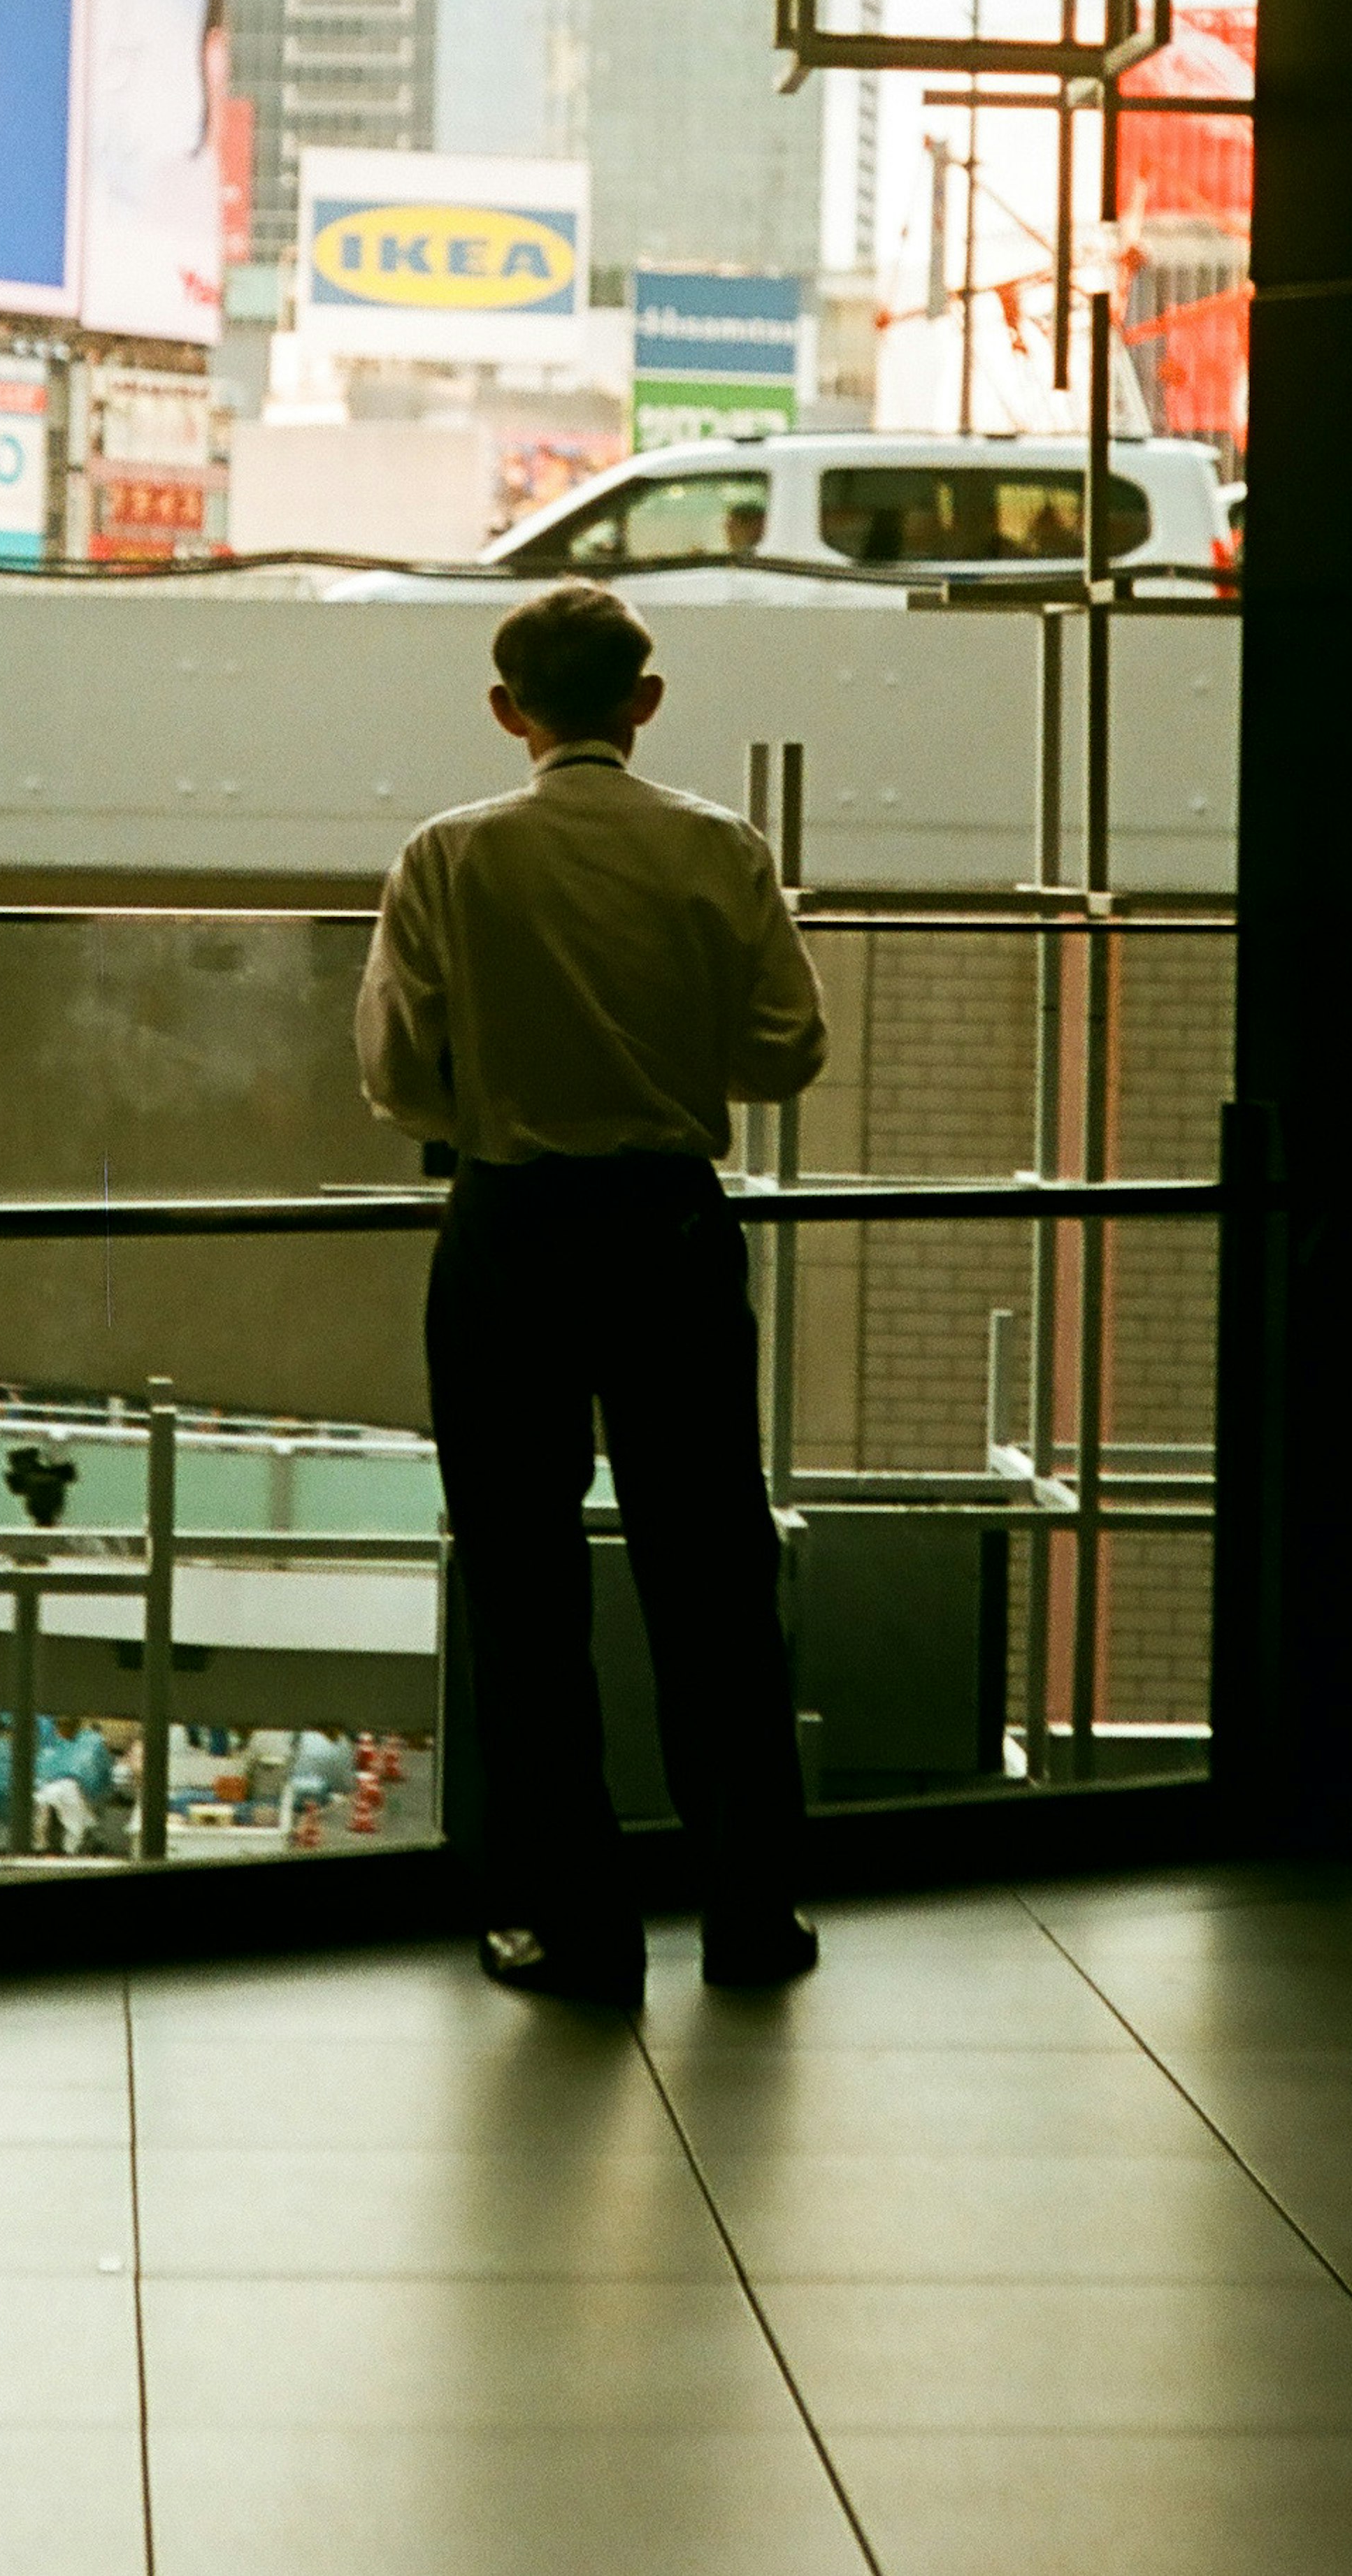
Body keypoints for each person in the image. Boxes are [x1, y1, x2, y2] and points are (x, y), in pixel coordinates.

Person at [355, 577, 828, 2011]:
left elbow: (393, 1074)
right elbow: (783, 1053)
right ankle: (751, 1911)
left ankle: (577, 1926)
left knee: (522, 1577)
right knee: (711, 1572)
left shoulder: (451, 855)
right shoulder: (718, 848)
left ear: (509, 712)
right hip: (672, 1232)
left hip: (511, 1231)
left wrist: (493, 1090)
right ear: (646, 700)